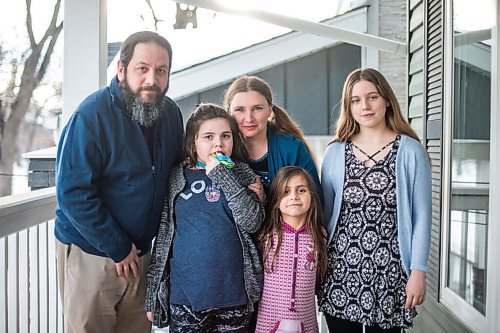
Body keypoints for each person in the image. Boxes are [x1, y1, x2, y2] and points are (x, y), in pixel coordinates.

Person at [54, 31, 184, 332]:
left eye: (161, 70)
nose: (152, 79)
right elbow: (72, 192)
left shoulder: (171, 115)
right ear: (122, 70)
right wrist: (118, 246)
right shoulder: (91, 115)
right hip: (93, 254)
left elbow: (178, 173)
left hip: (143, 255)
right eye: (143, 68)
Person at [318, 68, 432, 333]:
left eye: (372, 97)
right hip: (340, 272)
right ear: (349, 107)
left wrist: (418, 272)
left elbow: (422, 217)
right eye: (355, 100)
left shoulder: (410, 151)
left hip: (390, 274)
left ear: (387, 100)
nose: (365, 106)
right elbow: (324, 216)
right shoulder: (335, 152)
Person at [145, 103, 265, 332]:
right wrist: (152, 293)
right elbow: (163, 240)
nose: (218, 143)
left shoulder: (242, 173)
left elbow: (252, 221)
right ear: (193, 142)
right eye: (208, 136)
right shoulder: (176, 177)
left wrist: (222, 175)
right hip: (186, 299)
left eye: (225, 136)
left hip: (235, 298)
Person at [223, 75, 322, 202]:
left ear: (270, 109)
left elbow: (315, 199)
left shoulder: (291, 148)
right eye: (239, 110)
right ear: (229, 112)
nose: (248, 118)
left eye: (257, 108)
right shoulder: (220, 150)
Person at [256, 166, 327, 333]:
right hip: (269, 320)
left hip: (306, 320)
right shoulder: (265, 235)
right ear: (275, 200)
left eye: (301, 190)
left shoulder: (320, 235)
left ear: (312, 195)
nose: (294, 197)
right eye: (286, 192)